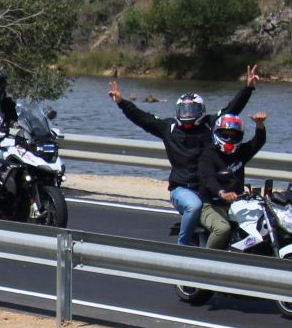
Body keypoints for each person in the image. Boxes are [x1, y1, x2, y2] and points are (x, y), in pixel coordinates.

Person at [111, 66, 258, 246]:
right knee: (194, 205)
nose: (188, 114)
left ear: (201, 111)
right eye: (184, 110)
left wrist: (248, 88)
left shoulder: (208, 124)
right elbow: (143, 118)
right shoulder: (169, 128)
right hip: (182, 188)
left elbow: (231, 110)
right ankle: (182, 249)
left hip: (208, 187)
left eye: (192, 110)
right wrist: (121, 102)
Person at [196, 108, 269, 250]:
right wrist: (222, 193)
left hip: (237, 204)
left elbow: (257, 142)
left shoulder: (240, 152)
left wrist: (259, 125)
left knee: (260, 225)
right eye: (225, 135)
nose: (229, 140)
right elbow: (208, 179)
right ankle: (206, 261)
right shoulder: (208, 154)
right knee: (222, 229)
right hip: (212, 204)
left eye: (234, 136)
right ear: (217, 134)